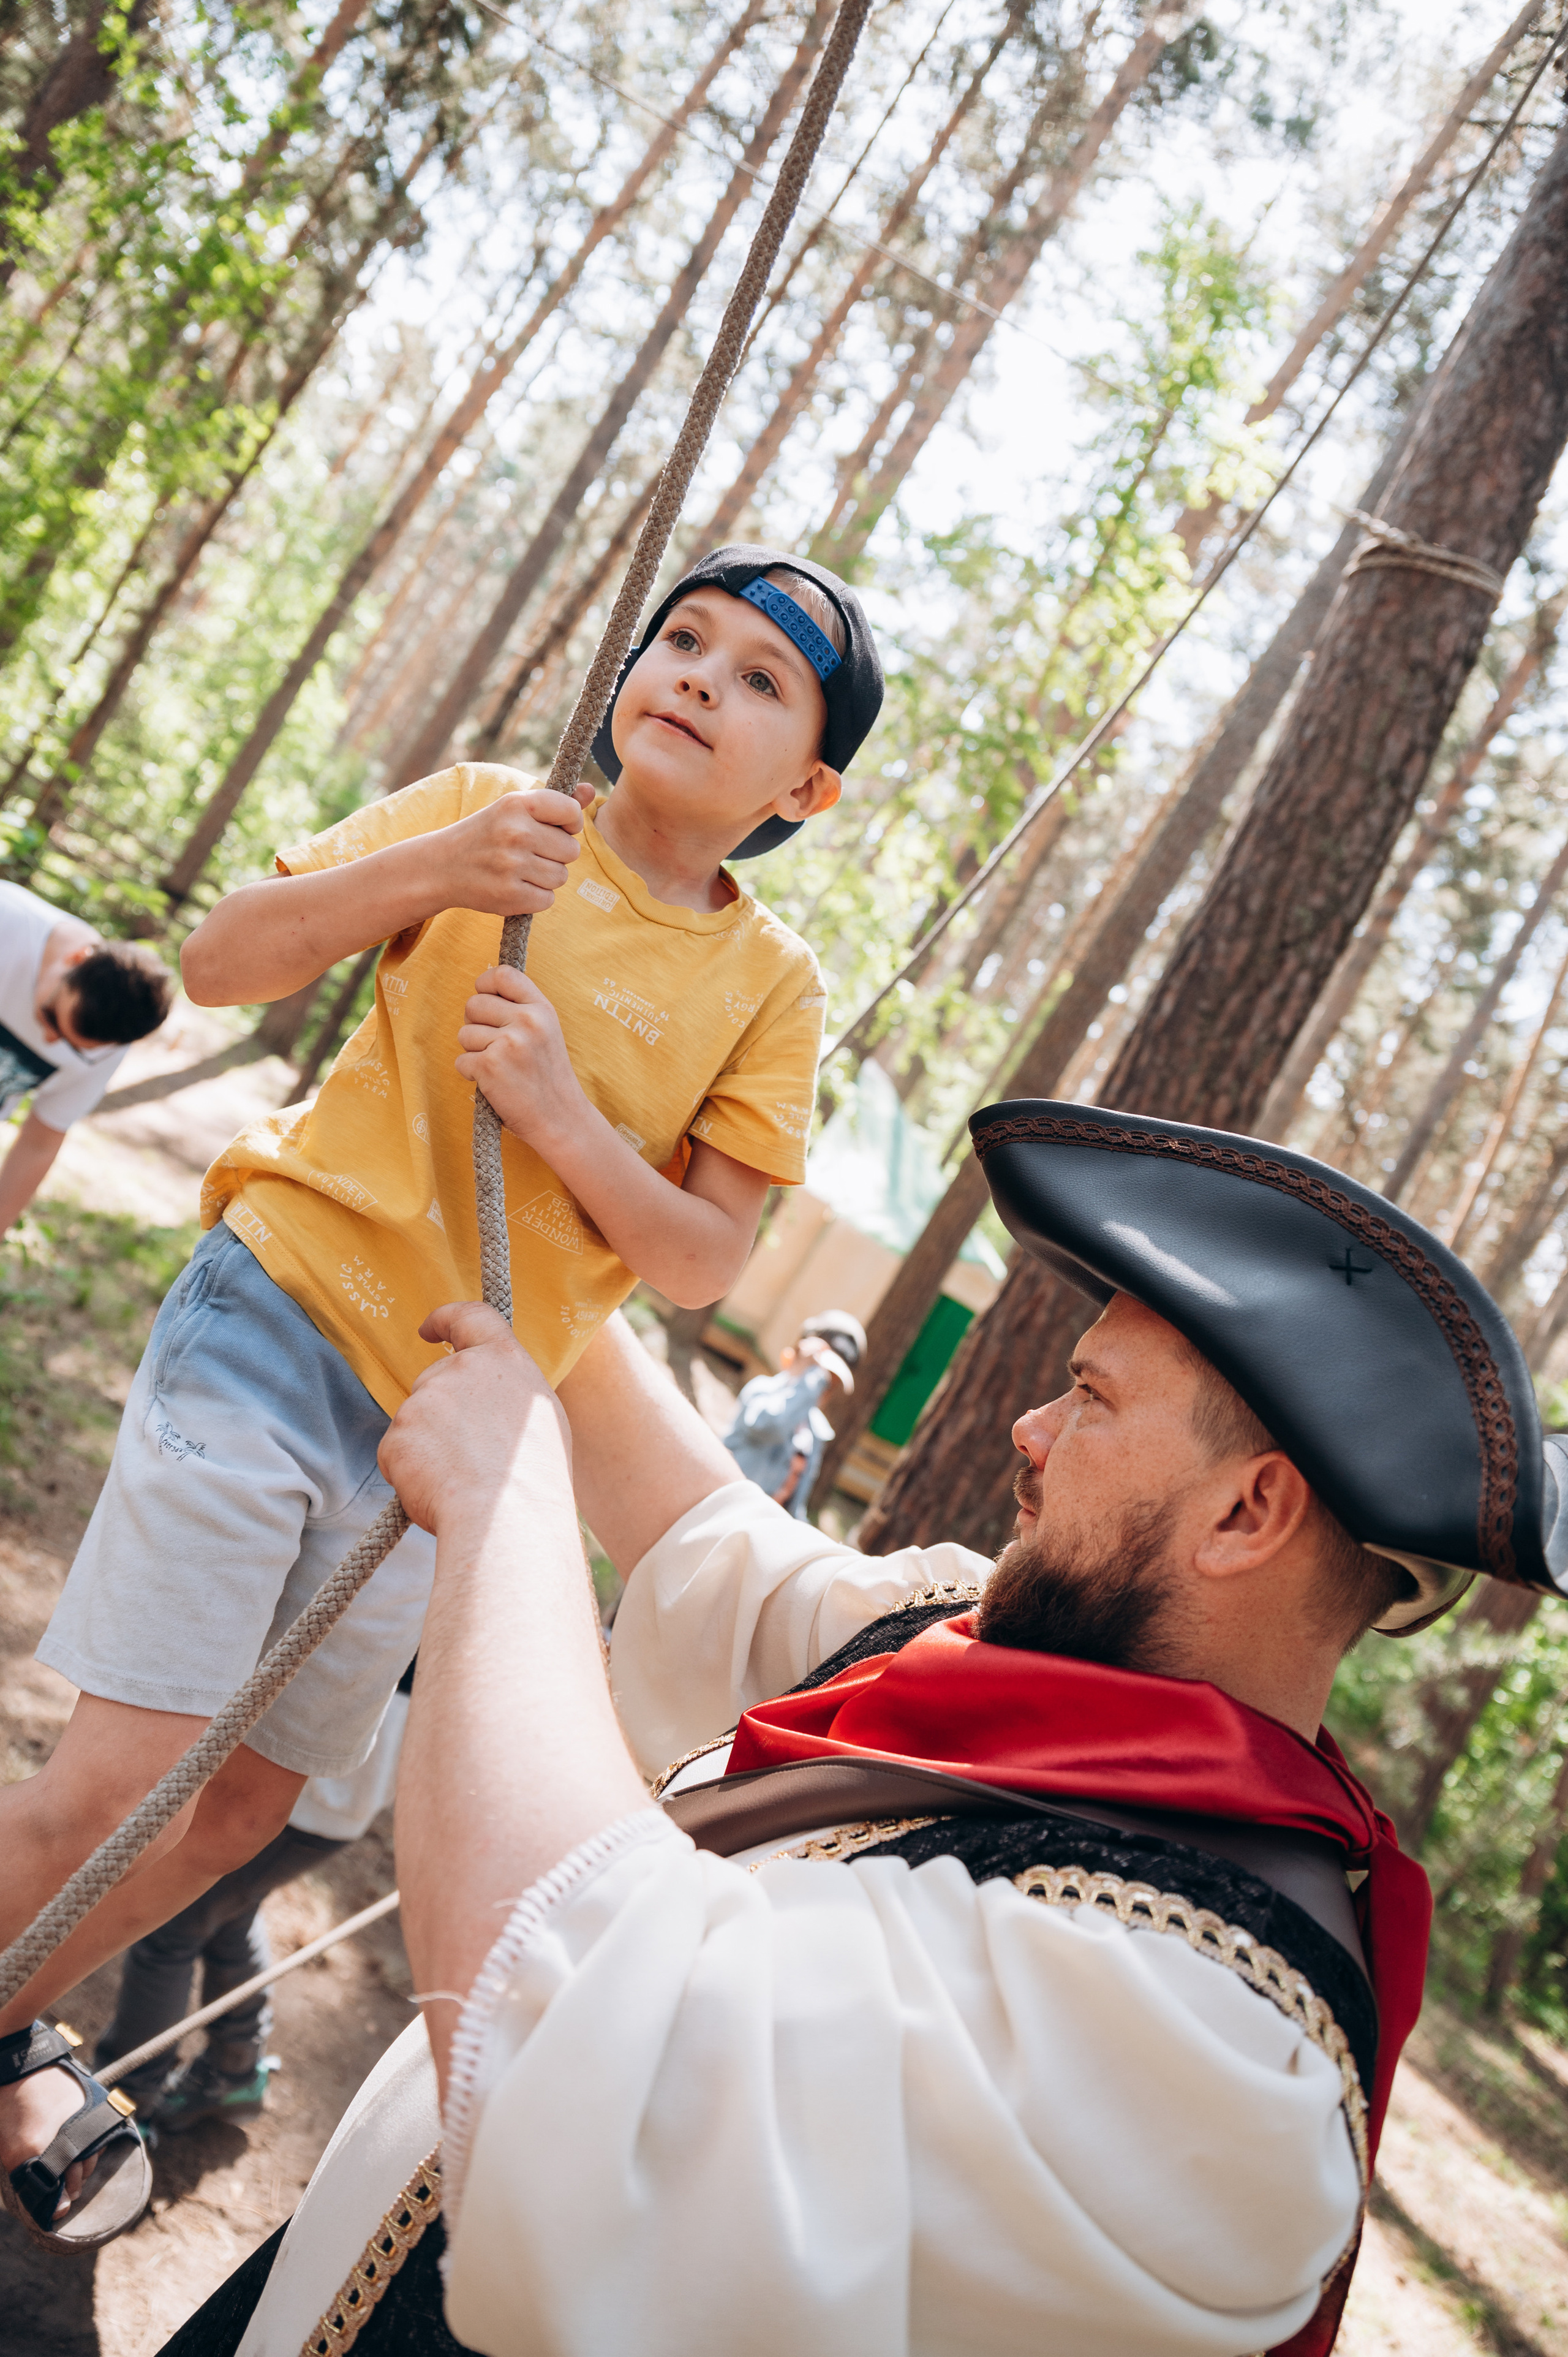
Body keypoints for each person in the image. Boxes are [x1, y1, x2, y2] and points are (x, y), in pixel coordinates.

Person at [153, 1099, 1568, 2357]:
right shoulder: (993, 1653)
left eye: (1086, 1398)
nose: (1023, 1425)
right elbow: (703, 1535)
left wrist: (507, 1501)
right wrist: (517, 1195)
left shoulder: (1208, 2039)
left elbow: (578, 2026)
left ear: (1243, 1512)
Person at [0, 543, 886, 2252]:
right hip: (274, 1326)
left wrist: (555, 1109)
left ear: (812, 784)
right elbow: (228, 953)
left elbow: (703, 1252)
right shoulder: (498, 815)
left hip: (448, 1434)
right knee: (131, 1769)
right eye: (681, 638)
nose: (698, 675)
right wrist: (439, 864)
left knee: (254, 1805)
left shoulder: (771, 986)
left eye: (760, 677)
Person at [92, 1678, 411, 2135]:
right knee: (230, 1912)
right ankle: (233, 2068)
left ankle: (118, 2111)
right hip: (327, 1794)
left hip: (311, 1790)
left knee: (172, 1926)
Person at [0, 879, 172, 1234]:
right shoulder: (9, 922)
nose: (50, 1040)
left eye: (70, 1045)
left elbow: (39, 1143)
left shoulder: (111, 1040)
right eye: (52, 1017)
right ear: (77, 959)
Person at [722, 1307, 865, 1515]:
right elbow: (770, 1426)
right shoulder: (761, 1391)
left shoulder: (816, 1431)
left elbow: (796, 1500)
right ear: (797, 1356)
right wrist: (805, 1381)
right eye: (818, 1376)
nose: (823, 1387)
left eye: (832, 1382)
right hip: (728, 1510)